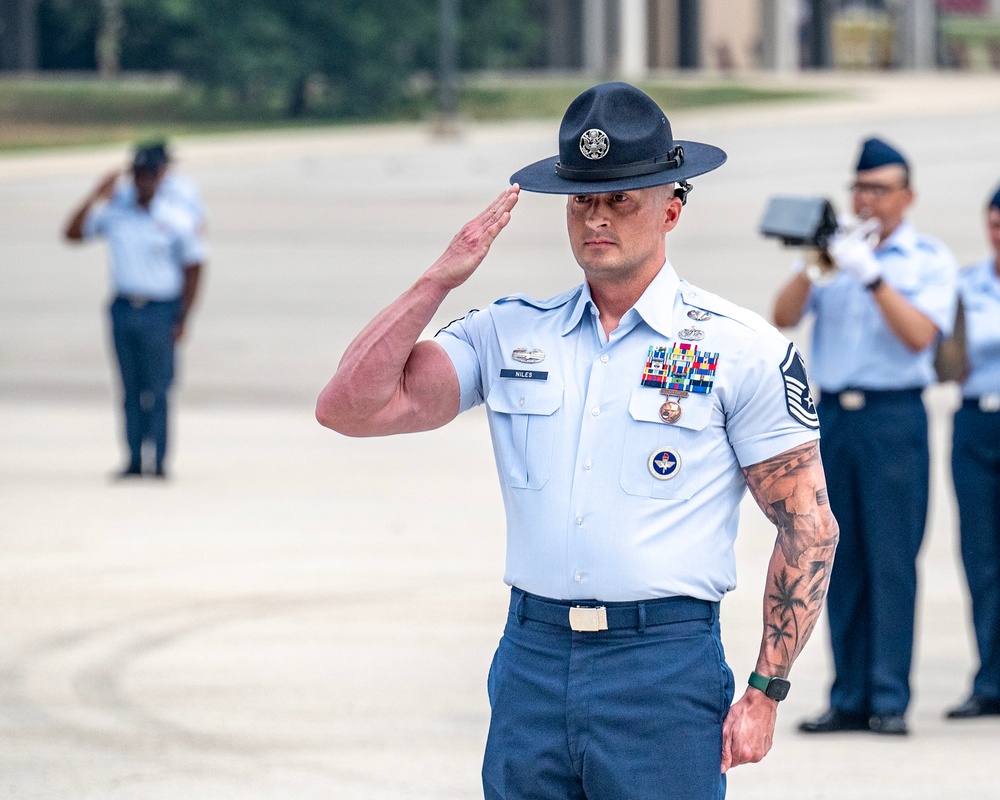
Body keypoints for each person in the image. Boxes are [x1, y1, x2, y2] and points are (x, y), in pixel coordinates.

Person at [317, 82, 838, 800]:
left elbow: (807, 527)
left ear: (671, 208)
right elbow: (350, 408)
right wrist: (437, 281)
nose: (597, 217)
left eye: (620, 199)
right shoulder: (509, 332)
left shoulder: (738, 347)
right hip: (533, 658)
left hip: (663, 665)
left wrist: (766, 689)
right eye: (582, 199)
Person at [773, 136, 958, 735]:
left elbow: (919, 338)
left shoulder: (928, 259)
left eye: (879, 189)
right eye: (859, 187)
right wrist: (815, 259)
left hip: (892, 416)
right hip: (833, 418)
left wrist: (873, 277)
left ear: (907, 197)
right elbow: (782, 316)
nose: (866, 199)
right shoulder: (836, 254)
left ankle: (887, 698)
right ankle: (847, 695)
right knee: (837, 559)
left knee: (891, 558)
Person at [63, 143, 207, 479]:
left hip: (160, 309)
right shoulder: (115, 212)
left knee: (157, 389)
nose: (143, 182)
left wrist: (183, 317)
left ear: (160, 176)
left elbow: (194, 266)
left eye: (149, 175)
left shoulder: (175, 217)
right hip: (124, 307)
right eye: (137, 175)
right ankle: (132, 459)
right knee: (128, 388)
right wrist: (94, 196)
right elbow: (71, 234)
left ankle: (158, 461)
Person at [945, 185, 1000, 720]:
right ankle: (990, 679)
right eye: (994, 224)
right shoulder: (969, 284)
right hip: (978, 420)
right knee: (982, 558)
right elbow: (946, 364)